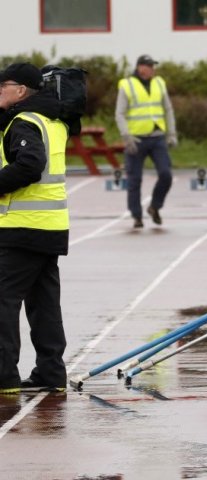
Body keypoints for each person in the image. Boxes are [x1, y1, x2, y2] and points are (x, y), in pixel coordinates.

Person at [0, 63, 70, 394]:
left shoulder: (24, 121)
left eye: (3, 86)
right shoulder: (53, 120)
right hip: (51, 226)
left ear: (21, 91)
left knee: (4, 301)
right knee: (44, 304)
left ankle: (4, 377)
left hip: (22, 227)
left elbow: (30, 164)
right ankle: (51, 374)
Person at [115, 54, 177, 229]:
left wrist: (171, 133)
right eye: (149, 66)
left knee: (166, 174)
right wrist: (126, 136)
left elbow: (168, 109)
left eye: (153, 66)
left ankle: (155, 206)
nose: (152, 69)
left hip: (157, 137)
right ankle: (137, 215)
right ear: (140, 67)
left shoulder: (159, 83)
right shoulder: (126, 85)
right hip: (136, 139)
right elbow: (119, 113)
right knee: (135, 179)